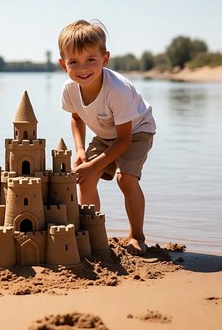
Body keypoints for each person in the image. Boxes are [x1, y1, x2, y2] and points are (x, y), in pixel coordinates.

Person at [58, 19, 156, 256]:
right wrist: (80, 151)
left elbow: (124, 141)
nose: (83, 69)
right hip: (106, 133)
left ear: (105, 58)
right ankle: (92, 231)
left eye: (90, 60)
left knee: (126, 180)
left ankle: (137, 236)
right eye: (74, 62)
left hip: (136, 130)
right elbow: (77, 118)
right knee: (85, 178)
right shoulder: (70, 89)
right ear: (63, 64)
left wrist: (94, 165)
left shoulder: (117, 90)